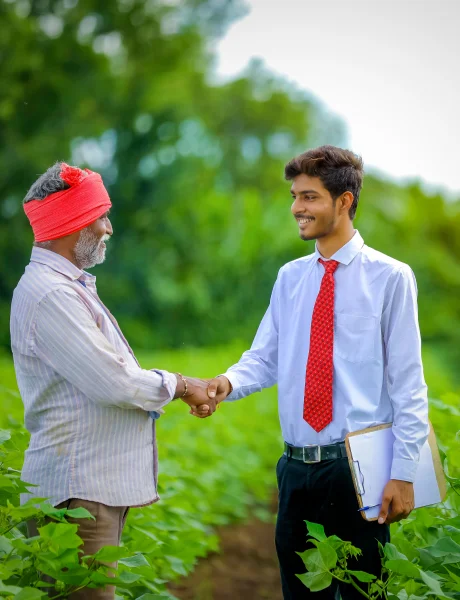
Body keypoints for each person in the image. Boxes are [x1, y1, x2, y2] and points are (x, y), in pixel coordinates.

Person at [200, 146, 429, 599]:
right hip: (296, 470)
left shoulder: (390, 278)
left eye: (309, 197)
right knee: (300, 593)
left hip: (359, 468)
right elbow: (265, 357)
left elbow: (409, 385)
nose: (296, 209)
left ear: (344, 201)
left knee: (366, 591)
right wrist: (226, 383)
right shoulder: (290, 278)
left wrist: (404, 473)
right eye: (295, 196)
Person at [10, 162, 214, 599]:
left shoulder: (67, 286)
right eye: (101, 217)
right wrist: (179, 384)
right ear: (73, 225)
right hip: (75, 495)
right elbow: (115, 383)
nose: (109, 228)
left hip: (86, 491)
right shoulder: (52, 294)